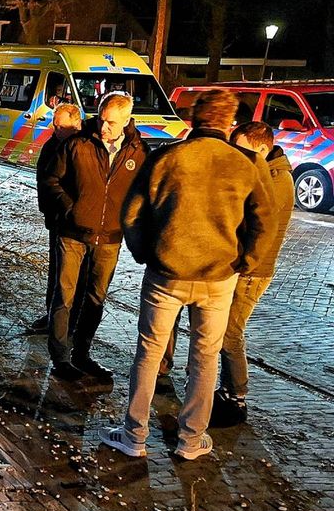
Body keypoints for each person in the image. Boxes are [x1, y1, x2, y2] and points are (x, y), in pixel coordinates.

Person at [105, 89, 274, 461]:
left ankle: (134, 435)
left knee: (149, 353)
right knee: (205, 356)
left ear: (193, 119)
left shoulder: (167, 157)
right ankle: (191, 438)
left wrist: (146, 252)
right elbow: (266, 218)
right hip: (219, 275)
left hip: (167, 274)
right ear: (230, 124)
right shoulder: (246, 163)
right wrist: (247, 260)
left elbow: (131, 213)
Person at [43, 92, 148, 381]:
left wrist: (129, 223)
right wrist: (70, 209)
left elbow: (142, 193)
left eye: (112, 123)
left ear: (127, 120)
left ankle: (82, 353)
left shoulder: (138, 151)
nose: (104, 128)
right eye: (102, 120)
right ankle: (61, 358)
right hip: (72, 234)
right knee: (64, 295)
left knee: (95, 299)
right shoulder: (78, 144)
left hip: (110, 238)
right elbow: (52, 180)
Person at [211, 121, 294, 426]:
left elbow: (255, 223)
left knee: (230, 333)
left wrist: (246, 260)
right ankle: (226, 390)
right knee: (224, 331)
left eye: (241, 148)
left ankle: (237, 396)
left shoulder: (276, 179)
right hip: (246, 265)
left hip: (253, 270)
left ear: (262, 148)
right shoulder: (262, 172)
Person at [30, 103, 83, 333]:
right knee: (57, 272)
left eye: (60, 125)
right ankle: (55, 316)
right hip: (58, 219)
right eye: (55, 124)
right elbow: (45, 182)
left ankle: (70, 321)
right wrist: (51, 212)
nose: (55, 129)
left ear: (76, 123)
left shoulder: (82, 146)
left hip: (78, 220)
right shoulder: (53, 145)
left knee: (73, 276)